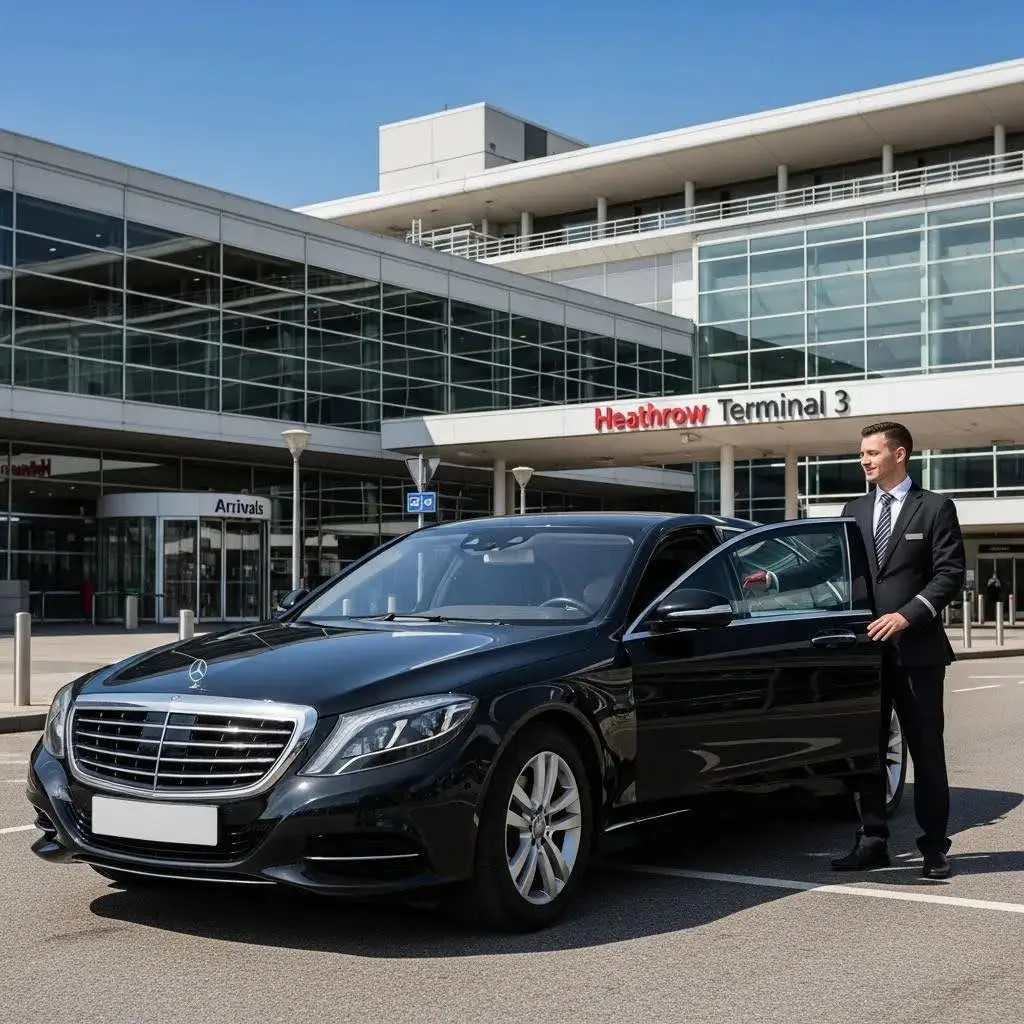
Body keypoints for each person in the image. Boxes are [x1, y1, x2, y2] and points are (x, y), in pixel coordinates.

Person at [744, 421, 965, 879]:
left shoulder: (935, 508)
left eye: (871, 453)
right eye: (861, 453)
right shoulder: (856, 509)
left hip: (918, 653)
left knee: (927, 752)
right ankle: (872, 843)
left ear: (899, 454)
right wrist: (775, 577)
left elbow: (949, 574)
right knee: (867, 750)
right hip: (865, 653)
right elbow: (827, 563)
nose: (863, 460)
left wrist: (907, 615)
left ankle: (934, 849)